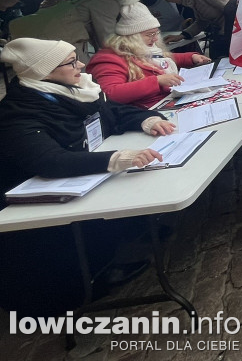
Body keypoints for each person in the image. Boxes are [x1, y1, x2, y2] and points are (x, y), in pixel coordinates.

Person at [0, 39, 175, 313]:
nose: (81, 64)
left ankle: (122, 244)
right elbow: (49, 160)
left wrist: (148, 120)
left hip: (78, 182)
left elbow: (111, 112)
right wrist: (117, 158)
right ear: (44, 71)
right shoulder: (19, 112)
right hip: (36, 211)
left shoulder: (76, 90)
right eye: (71, 62)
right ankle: (92, 280)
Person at [86, 0, 210, 109]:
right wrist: (156, 81)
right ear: (132, 37)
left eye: (156, 33)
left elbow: (160, 58)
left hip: (163, 102)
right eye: (150, 34)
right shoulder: (108, 60)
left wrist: (190, 58)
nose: (155, 38)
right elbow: (111, 93)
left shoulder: (138, 49)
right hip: (144, 111)